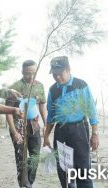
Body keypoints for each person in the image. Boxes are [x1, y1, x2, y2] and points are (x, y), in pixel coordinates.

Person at [43, 56, 99, 188]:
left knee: (83, 167)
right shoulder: (53, 90)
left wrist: (95, 133)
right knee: (63, 168)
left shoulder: (81, 85)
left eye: (60, 74)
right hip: (61, 131)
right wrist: (46, 136)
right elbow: (51, 117)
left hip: (79, 129)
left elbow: (91, 110)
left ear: (68, 69)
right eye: (54, 75)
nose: (57, 77)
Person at [5, 60, 47, 188]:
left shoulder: (40, 86)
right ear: (22, 72)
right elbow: (8, 111)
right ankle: (24, 185)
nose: (31, 76)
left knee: (35, 157)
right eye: (28, 73)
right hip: (19, 127)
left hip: (34, 127)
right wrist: (14, 132)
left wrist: (46, 125)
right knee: (21, 159)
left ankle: (29, 183)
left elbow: (42, 107)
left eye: (34, 73)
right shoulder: (15, 87)